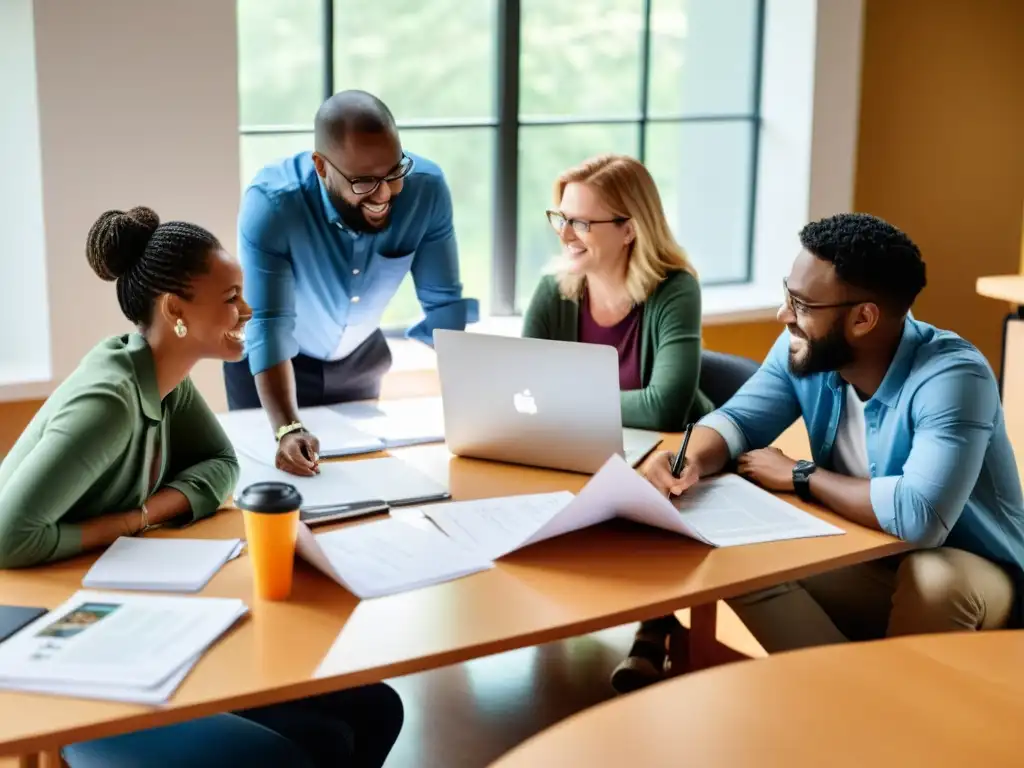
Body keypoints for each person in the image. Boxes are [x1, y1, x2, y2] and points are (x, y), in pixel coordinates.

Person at [0, 207, 403, 767]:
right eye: (231, 297)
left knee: (373, 711)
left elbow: (221, 466)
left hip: (123, 608)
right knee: (301, 751)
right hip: (51, 645)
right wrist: (134, 522)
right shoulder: (108, 401)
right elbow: (8, 537)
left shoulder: (164, 377)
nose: (247, 310)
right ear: (175, 309)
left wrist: (150, 509)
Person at [643, 212, 1024, 662]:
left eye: (802, 305)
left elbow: (920, 517)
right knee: (733, 555)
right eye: (789, 293)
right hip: (869, 559)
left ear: (863, 319)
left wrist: (803, 475)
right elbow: (737, 423)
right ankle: (854, 690)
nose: (783, 314)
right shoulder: (804, 351)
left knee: (934, 579)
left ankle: (878, 703)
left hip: (978, 575)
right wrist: (686, 458)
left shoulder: (953, 377)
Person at [225, 89, 478, 477]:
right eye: (363, 181)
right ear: (322, 167)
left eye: (394, 173)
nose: (384, 194)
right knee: (272, 490)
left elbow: (443, 303)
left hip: (360, 361)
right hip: (272, 367)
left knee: (359, 485)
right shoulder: (273, 205)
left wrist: (474, 408)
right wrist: (288, 427)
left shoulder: (426, 189)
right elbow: (270, 323)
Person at [522, 154, 713, 432]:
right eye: (562, 219)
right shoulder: (553, 290)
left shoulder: (676, 291)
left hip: (675, 458)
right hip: (583, 444)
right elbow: (524, 390)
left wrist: (559, 401)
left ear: (628, 231)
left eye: (581, 224)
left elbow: (663, 409)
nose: (564, 235)